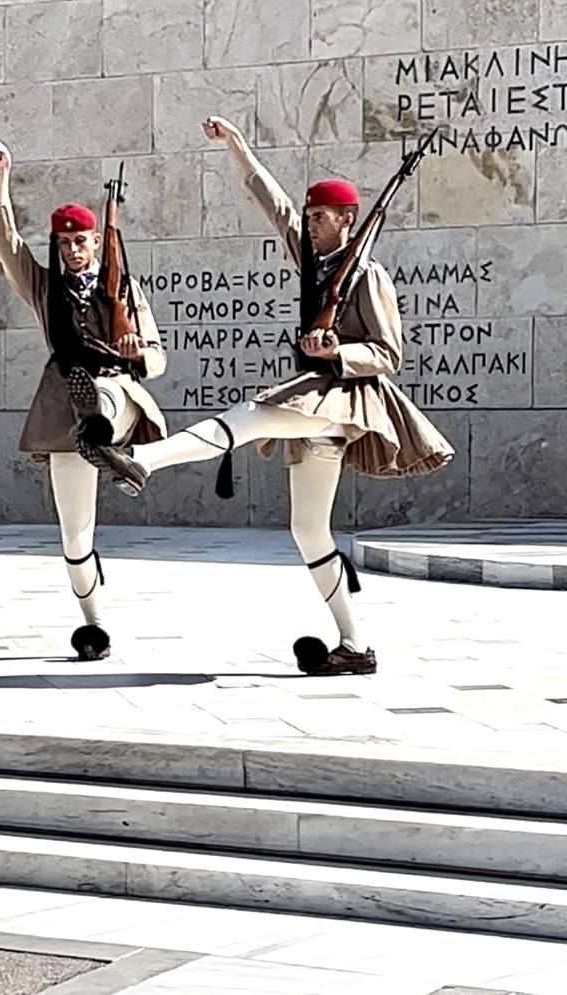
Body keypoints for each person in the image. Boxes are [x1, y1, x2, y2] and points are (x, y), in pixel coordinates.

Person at [82, 117, 454, 677]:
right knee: (308, 530)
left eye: (320, 216)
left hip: (340, 397)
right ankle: (355, 646)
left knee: (250, 417)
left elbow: (388, 354)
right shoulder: (312, 264)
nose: (309, 222)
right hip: (320, 405)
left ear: (347, 222)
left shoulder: (368, 275)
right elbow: (270, 200)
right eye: (309, 215)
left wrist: (335, 352)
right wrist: (238, 147)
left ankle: (140, 460)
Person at [0, 140, 167, 662]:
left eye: (81, 242)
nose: (72, 251)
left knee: (105, 396)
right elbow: (4, 241)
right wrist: (3, 176)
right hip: (64, 406)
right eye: (64, 244)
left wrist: (136, 353)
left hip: (118, 391)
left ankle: (105, 436)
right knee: (73, 536)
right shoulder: (44, 288)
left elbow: (157, 356)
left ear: (94, 241)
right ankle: (94, 623)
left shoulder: (124, 290)